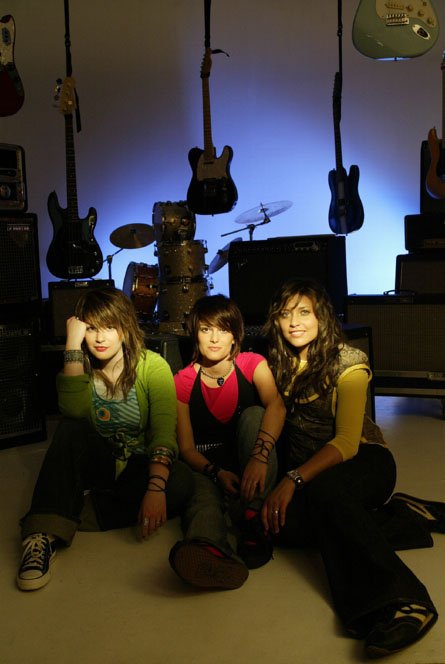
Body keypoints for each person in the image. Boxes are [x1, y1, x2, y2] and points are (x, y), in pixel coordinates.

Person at [261, 278, 443, 659]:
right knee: (283, 528)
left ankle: (402, 601)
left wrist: (293, 479)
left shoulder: (349, 361)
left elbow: (346, 442)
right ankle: (404, 516)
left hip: (363, 461)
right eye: (285, 314)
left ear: (322, 317)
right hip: (313, 475)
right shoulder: (277, 361)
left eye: (304, 312)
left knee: (326, 494)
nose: (294, 322)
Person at [17, 287, 192, 591]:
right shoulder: (79, 365)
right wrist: (72, 345)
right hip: (97, 461)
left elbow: (164, 432)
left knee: (181, 481)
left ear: (125, 327)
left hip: (137, 465)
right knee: (70, 428)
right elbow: (73, 412)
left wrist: (155, 488)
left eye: (109, 327)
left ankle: (69, 510)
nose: (100, 338)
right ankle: (40, 535)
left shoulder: (152, 365)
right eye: (91, 328)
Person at [168, 294, 286, 589]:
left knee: (256, 414)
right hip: (209, 467)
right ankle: (209, 551)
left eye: (223, 330)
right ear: (195, 334)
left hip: (250, 461)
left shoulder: (252, 364)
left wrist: (258, 458)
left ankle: (254, 519)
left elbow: (277, 405)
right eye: (205, 329)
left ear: (235, 335)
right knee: (202, 498)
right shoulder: (182, 381)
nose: (214, 338)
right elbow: (186, 449)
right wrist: (216, 474)